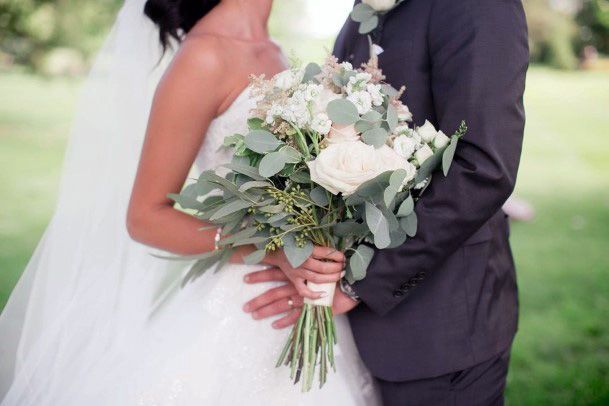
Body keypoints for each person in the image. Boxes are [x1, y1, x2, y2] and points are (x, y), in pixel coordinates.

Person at [0, 0, 380, 404]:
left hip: (305, 304)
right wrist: (271, 251)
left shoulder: (272, 47)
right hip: (246, 308)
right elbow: (145, 217)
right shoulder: (205, 55)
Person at [246, 1, 529, 405]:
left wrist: (358, 283)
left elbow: (482, 168)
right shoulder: (364, 11)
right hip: (351, 337)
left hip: (441, 332)